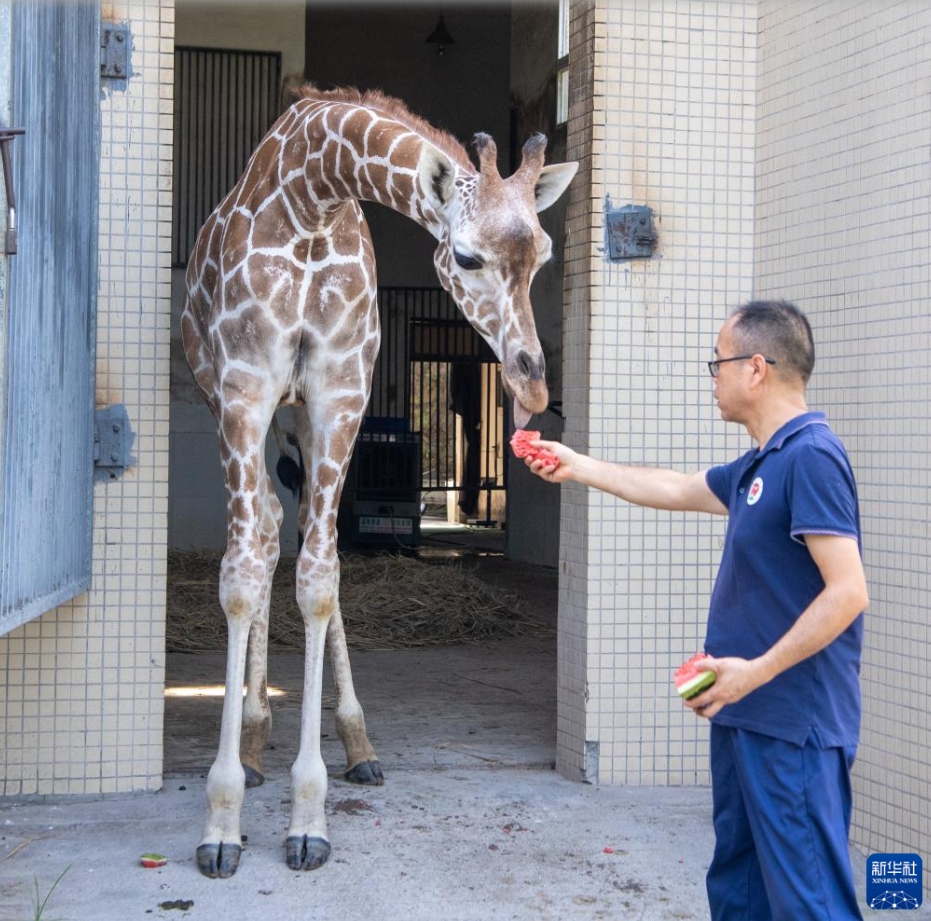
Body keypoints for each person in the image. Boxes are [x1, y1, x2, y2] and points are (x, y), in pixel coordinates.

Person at [525, 300, 868, 921]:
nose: (713, 376)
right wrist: (576, 466)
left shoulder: (811, 457)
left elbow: (848, 592)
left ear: (756, 368)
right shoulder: (760, 464)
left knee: (807, 902)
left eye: (719, 363)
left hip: (793, 726)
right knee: (739, 891)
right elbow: (676, 487)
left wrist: (755, 671)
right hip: (744, 717)